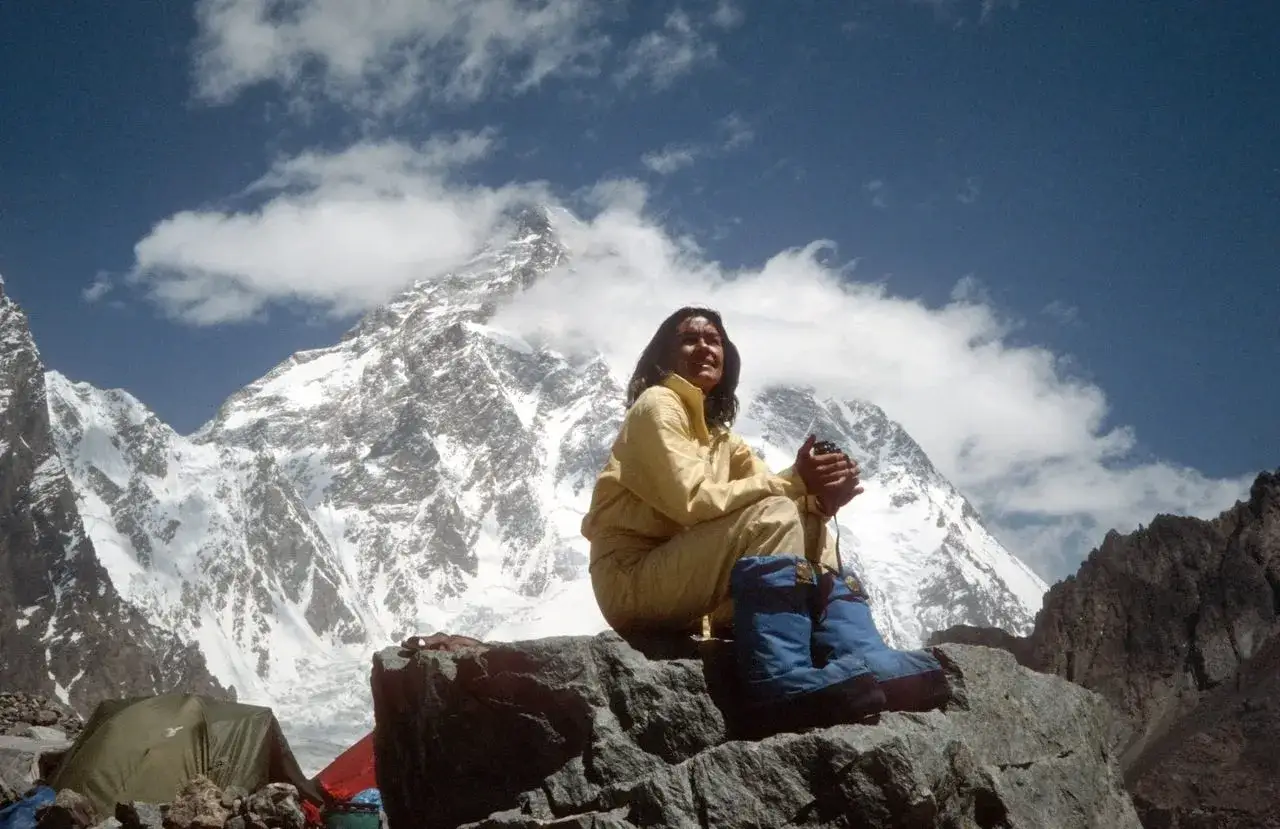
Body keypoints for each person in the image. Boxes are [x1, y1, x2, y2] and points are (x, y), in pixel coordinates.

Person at [581, 306, 949, 725]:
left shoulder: (724, 440)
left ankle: (861, 658)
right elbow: (692, 501)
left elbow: (782, 500)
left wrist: (822, 501)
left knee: (800, 516)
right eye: (689, 338)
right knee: (775, 511)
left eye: (714, 339)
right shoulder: (657, 405)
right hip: (632, 577)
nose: (704, 346)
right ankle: (778, 677)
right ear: (664, 357)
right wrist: (795, 479)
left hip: (682, 576)